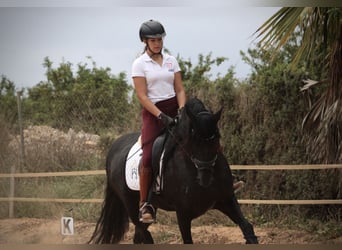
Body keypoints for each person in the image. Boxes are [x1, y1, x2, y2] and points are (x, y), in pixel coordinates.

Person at [131, 19, 186, 223]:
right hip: (153, 112)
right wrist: (160, 115)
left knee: (203, 132)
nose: (157, 43)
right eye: (153, 40)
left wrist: (181, 110)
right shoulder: (139, 64)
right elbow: (142, 96)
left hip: (175, 107)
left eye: (160, 39)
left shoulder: (172, 60)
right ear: (145, 41)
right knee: (147, 157)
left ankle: (224, 183)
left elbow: (179, 89)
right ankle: (145, 204)